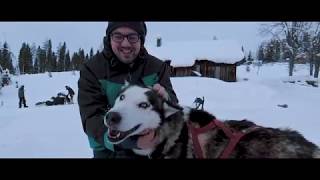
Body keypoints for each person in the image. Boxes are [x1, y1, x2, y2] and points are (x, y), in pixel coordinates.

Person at [78, 22, 179, 158]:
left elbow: (174, 108)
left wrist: (166, 100)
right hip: (108, 150)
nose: (125, 44)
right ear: (109, 38)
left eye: (132, 37)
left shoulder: (157, 68)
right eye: (118, 36)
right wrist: (133, 142)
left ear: (141, 40)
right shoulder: (92, 69)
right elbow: (91, 118)